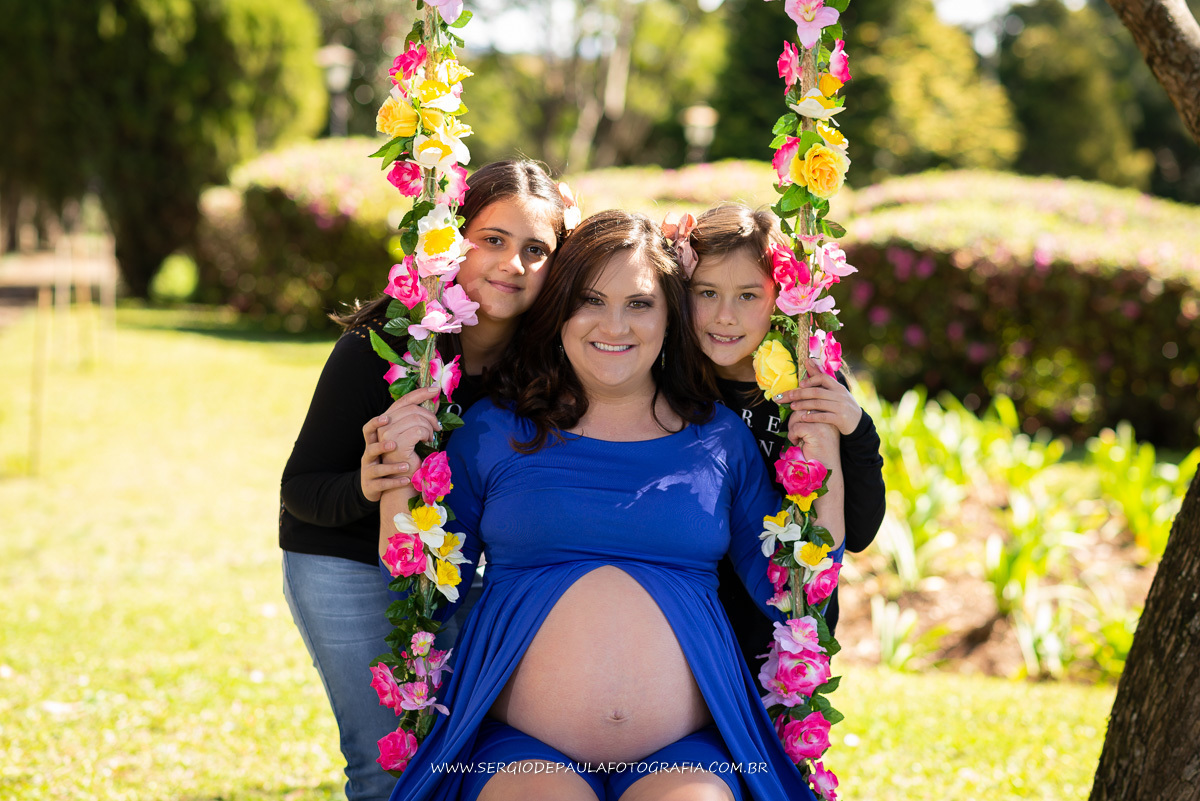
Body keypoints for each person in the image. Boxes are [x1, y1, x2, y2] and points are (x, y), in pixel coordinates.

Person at [377, 210, 845, 801]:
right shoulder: (493, 431)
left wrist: (826, 452)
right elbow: (415, 580)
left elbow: (803, 589)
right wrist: (398, 470)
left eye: (640, 303)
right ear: (560, 311)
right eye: (591, 300)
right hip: (518, 750)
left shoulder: (721, 439)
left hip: (688, 754)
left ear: (671, 315)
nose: (614, 325)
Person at [279, 160, 570, 801]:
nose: (512, 263)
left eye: (535, 250)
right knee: (384, 761)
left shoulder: (545, 366)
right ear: (451, 238)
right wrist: (366, 484)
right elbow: (298, 489)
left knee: (461, 751)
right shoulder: (385, 345)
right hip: (344, 561)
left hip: (459, 569)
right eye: (492, 239)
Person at [687, 204, 885, 668]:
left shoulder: (812, 384)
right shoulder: (673, 383)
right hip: (698, 619)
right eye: (707, 292)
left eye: (748, 296)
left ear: (781, 296)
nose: (724, 316)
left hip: (782, 633)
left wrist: (856, 428)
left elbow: (858, 532)